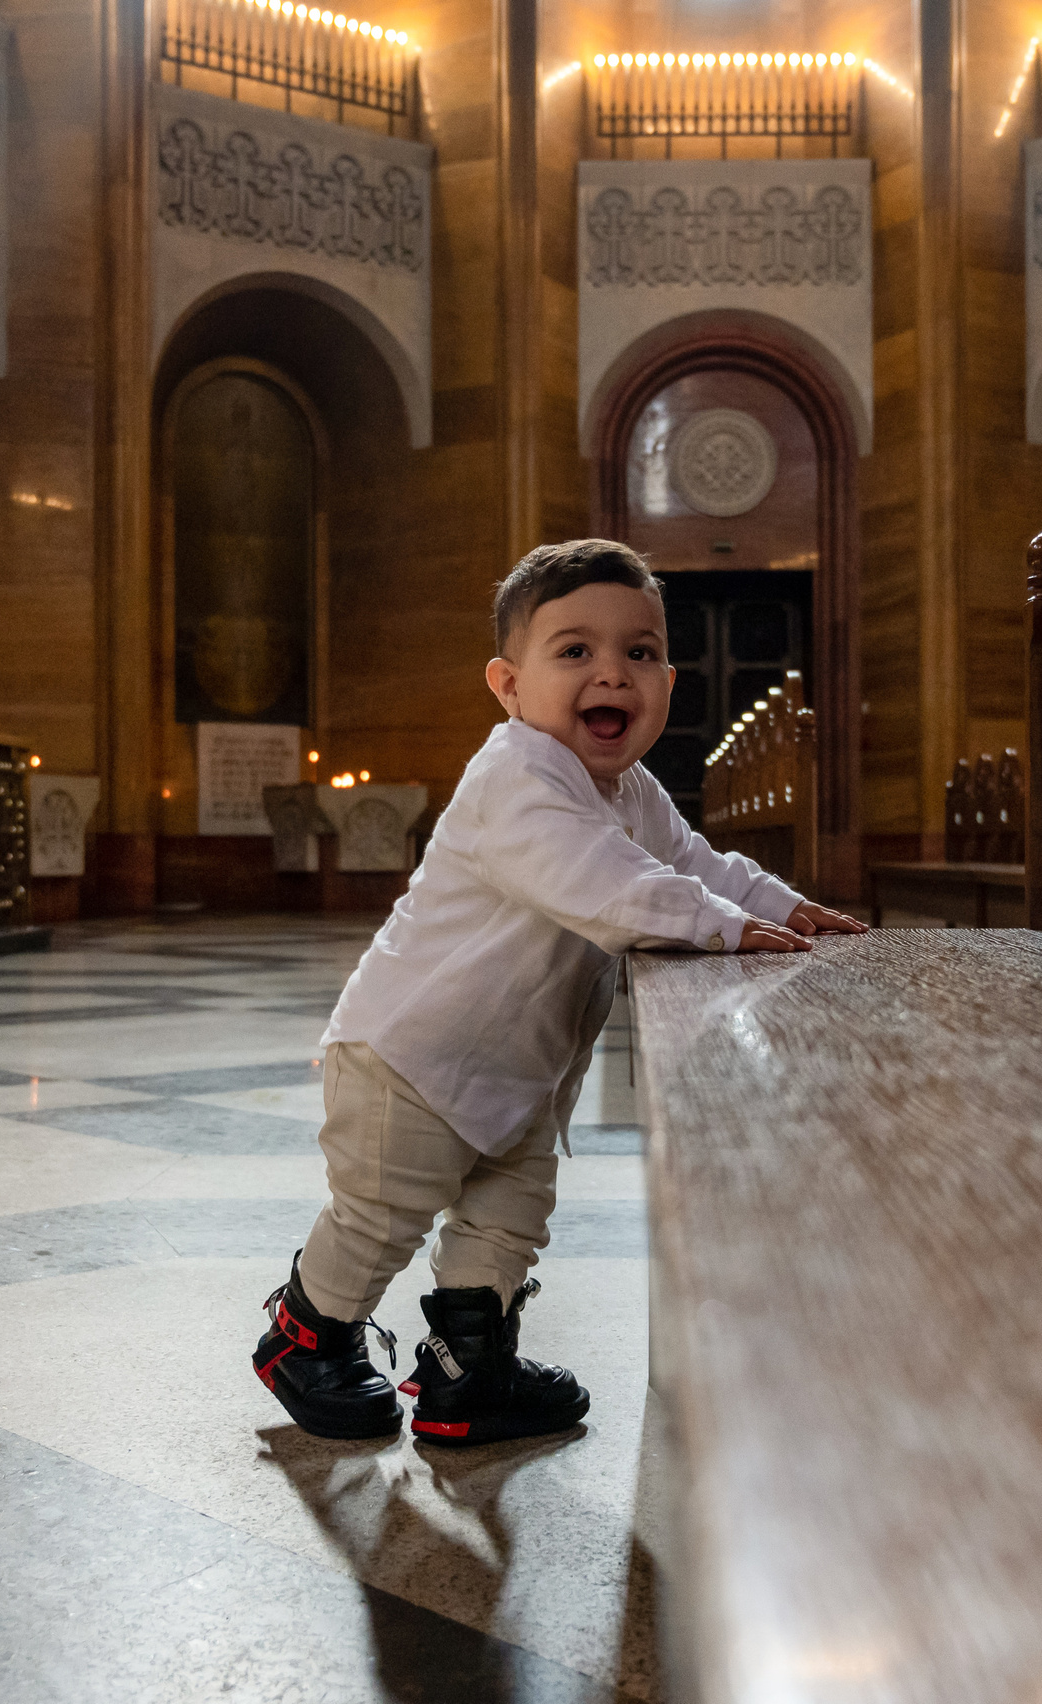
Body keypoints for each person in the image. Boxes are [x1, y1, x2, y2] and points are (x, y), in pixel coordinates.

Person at [253, 538, 867, 1446]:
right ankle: (307, 1336)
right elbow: (603, 879)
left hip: (518, 1072)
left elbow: (691, 861)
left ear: (667, 679)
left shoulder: (629, 786)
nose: (611, 673)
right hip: (410, 1059)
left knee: (508, 1221)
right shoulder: (516, 776)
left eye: (641, 653)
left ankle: (467, 1374)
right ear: (508, 685)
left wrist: (778, 905)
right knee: (379, 1219)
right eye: (574, 651)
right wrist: (721, 924)